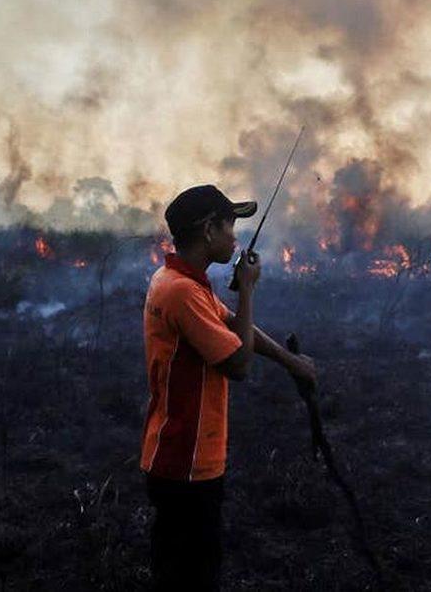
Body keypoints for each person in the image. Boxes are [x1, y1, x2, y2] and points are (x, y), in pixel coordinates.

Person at [140, 184, 318, 591]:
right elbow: (239, 363)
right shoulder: (183, 292)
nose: (235, 237)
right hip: (186, 461)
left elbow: (237, 327)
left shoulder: (179, 280)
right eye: (229, 225)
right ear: (207, 230)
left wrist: (293, 364)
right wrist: (249, 289)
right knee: (192, 576)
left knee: (179, 568)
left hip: (174, 452)